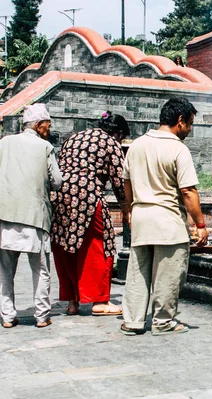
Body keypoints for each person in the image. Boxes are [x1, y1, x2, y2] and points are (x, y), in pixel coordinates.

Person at [120, 97, 209, 336]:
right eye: (189, 124)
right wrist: (200, 224)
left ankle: (133, 321)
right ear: (180, 121)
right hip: (167, 221)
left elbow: (126, 183)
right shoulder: (178, 149)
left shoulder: (136, 145)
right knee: (168, 275)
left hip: (141, 218)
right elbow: (188, 191)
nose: (189, 130)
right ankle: (163, 321)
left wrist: (130, 210)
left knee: (138, 273)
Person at [50, 111, 130, 316]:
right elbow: (119, 181)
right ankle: (99, 301)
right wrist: (126, 208)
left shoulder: (73, 138)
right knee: (99, 245)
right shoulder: (110, 142)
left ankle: (72, 302)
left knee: (67, 246)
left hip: (60, 197)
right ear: (118, 133)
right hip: (88, 196)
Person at [0, 104, 62, 328]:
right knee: (41, 270)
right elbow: (57, 182)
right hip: (35, 216)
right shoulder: (44, 147)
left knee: (5, 271)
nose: (49, 128)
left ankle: (7, 317)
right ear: (38, 125)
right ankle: (42, 315)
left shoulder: (4, 143)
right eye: (47, 125)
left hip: (5, 214)